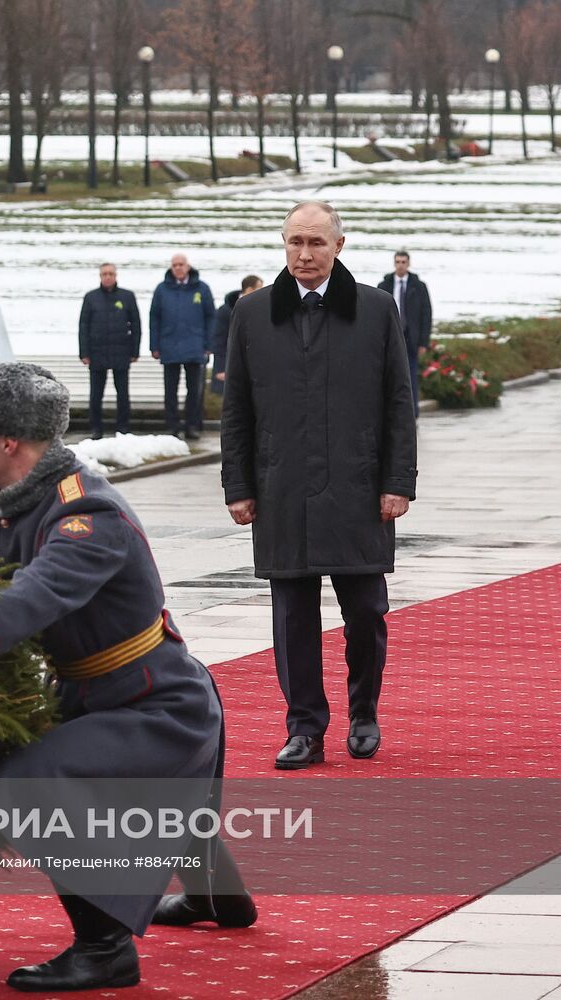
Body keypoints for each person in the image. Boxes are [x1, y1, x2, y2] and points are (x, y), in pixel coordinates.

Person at [0, 363, 255, 992]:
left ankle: (105, 948)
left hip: (157, 705)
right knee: (167, 805)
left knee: (31, 783)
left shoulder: (88, 512)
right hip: (91, 696)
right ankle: (219, 897)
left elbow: (33, 596)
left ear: (9, 441)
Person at [221, 201, 417, 771]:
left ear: (339, 245)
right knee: (292, 621)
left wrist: (397, 482)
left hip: (358, 489)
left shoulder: (375, 309)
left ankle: (364, 713)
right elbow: (237, 409)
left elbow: (398, 402)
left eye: (316, 243)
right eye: (295, 242)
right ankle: (304, 728)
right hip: (281, 490)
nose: (304, 254)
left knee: (367, 614)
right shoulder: (253, 313)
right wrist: (238, 485)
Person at [148, 254, 215, 440]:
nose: (178, 268)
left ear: (188, 266)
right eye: (175, 265)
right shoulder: (162, 289)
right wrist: (154, 345)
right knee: (170, 391)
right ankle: (172, 426)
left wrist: (209, 344)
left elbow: (211, 317)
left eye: (181, 264)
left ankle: (192, 425)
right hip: (169, 346)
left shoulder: (202, 288)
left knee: (194, 391)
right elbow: (154, 318)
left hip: (195, 346)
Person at [78, 263, 143, 439]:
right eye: (104, 274)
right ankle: (96, 428)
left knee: (122, 394)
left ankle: (123, 427)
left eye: (111, 274)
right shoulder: (91, 297)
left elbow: (136, 324)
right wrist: (84, 352)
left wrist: (135, 351)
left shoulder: (127, 296)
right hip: (97, 352)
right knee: (96, 394)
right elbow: (83, 326)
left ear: (116, 276)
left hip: (121, 351)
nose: (108, 277)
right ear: (100, 276)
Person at [377, 251, 433, 418]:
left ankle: (412, 412)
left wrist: (423, 342)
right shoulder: (384, 285)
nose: (400, 265)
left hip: (411, 337)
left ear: (408, 264)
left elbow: (426, 314)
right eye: (398, 262)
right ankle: (389, 411)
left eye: (403, 262)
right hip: (390, 335)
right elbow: (377, 312)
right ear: (394, 263)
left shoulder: (418, 286)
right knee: (389, 373)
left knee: (410, 374)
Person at [210, 275, 263, 395]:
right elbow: (218, 340)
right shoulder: (225, 311)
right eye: (259, 288)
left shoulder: (262, 308)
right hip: (231, 361)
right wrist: (220, 368)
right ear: (249, 289)